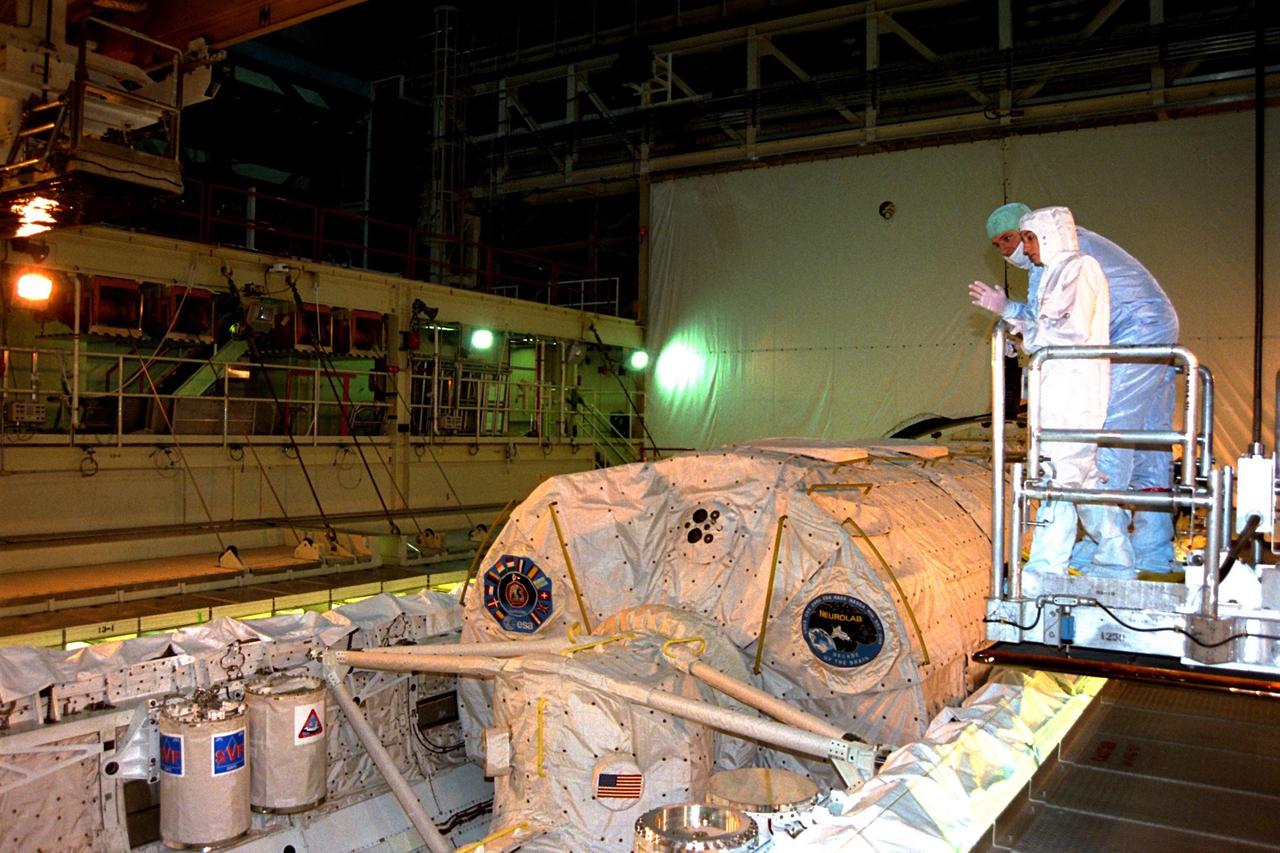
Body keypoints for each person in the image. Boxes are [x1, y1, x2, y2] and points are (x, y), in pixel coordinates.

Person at [971, 202, 1180, 576]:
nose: (1009, 250)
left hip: (1126, 337)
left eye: (1014, 239)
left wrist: (1011, 317)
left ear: (1040, 232)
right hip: (1151, 326)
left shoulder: (1066, 262)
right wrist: (1015, 319)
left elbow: (1056, 328)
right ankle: (1151, 546)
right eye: (997, 244)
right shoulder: (1070, 257)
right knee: (1149, 442)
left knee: (1104, 437)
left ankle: (1105, 549)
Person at [973, 206, 1111, 582]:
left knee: (1059, 477)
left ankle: (1043, 572)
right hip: (1058, 387)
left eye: (1029, 239)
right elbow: (1043, 326)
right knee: (1078, 478)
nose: (1025, 248)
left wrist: (1021, 329)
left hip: (1074, 389)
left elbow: (1068, 332)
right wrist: (1014, 324)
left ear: (1052, 235)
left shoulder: (1080, 269)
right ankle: (1115, 555)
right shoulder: (1050, 274)